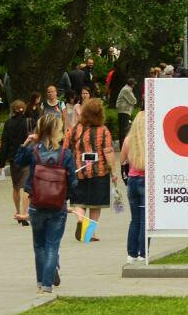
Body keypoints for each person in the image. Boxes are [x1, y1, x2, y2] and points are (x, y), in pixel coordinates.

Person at [15, 114, 76, 293]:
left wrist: (26, 142)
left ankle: (41, 282)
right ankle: (48, 285)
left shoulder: (33, 151)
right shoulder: (66, 154)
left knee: (39, 245)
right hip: (57, 206)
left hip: (37, 204)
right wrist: (66, 198)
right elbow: (72, 181)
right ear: (57, 130)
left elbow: (18, 161)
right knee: (52, 245)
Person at [64, 97, 113, 232]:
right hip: (99, 171)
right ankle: (89, 232)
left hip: (78, 170)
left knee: (80, 200)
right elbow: (108, 152)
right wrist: (113, 171)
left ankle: (80, 219)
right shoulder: (103, 130)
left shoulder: (74, 129)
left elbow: (66, 148)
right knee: (96, 204)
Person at [117, 109, 147, 263]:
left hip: (133, 182)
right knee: (145, 220)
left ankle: (131, 254)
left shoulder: (128, 140)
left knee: (134, 219)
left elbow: (121, 160)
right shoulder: (150, 141)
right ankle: (143, 253)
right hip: (146, 181)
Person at [3, 100, 35, 225]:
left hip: (13, 158)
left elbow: (5, 143)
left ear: (12, 109)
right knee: (26, 187)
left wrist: (1, 162)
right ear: (24, 108)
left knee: (16, 187)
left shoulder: (8, 123)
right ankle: (24, 212)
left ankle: (17, 211)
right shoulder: (29, 122)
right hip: (27, 156)